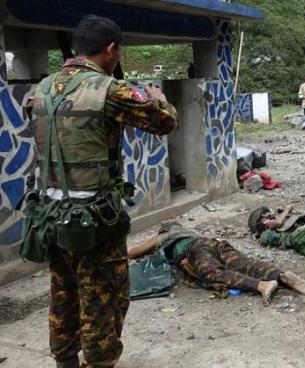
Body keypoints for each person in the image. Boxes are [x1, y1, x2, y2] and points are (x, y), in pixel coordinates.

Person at [25, 16, 178, 368]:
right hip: (95, 220)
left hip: (51, 215)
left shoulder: (43, 88)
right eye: (118, 51)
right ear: (110, 49)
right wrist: (161, 99)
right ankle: (99, 361)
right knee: (102, 299)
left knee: (63, 293)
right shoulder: (111, 90)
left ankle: (65, 361)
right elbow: (164, 123)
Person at [128, 222, 305, 304]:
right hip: (215, 244)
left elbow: (134, 252)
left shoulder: (166, 234)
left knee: (215, 274)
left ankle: (262, 285)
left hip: (195, 250)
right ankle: (281, 275)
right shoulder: (188, 231)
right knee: (246, 263)